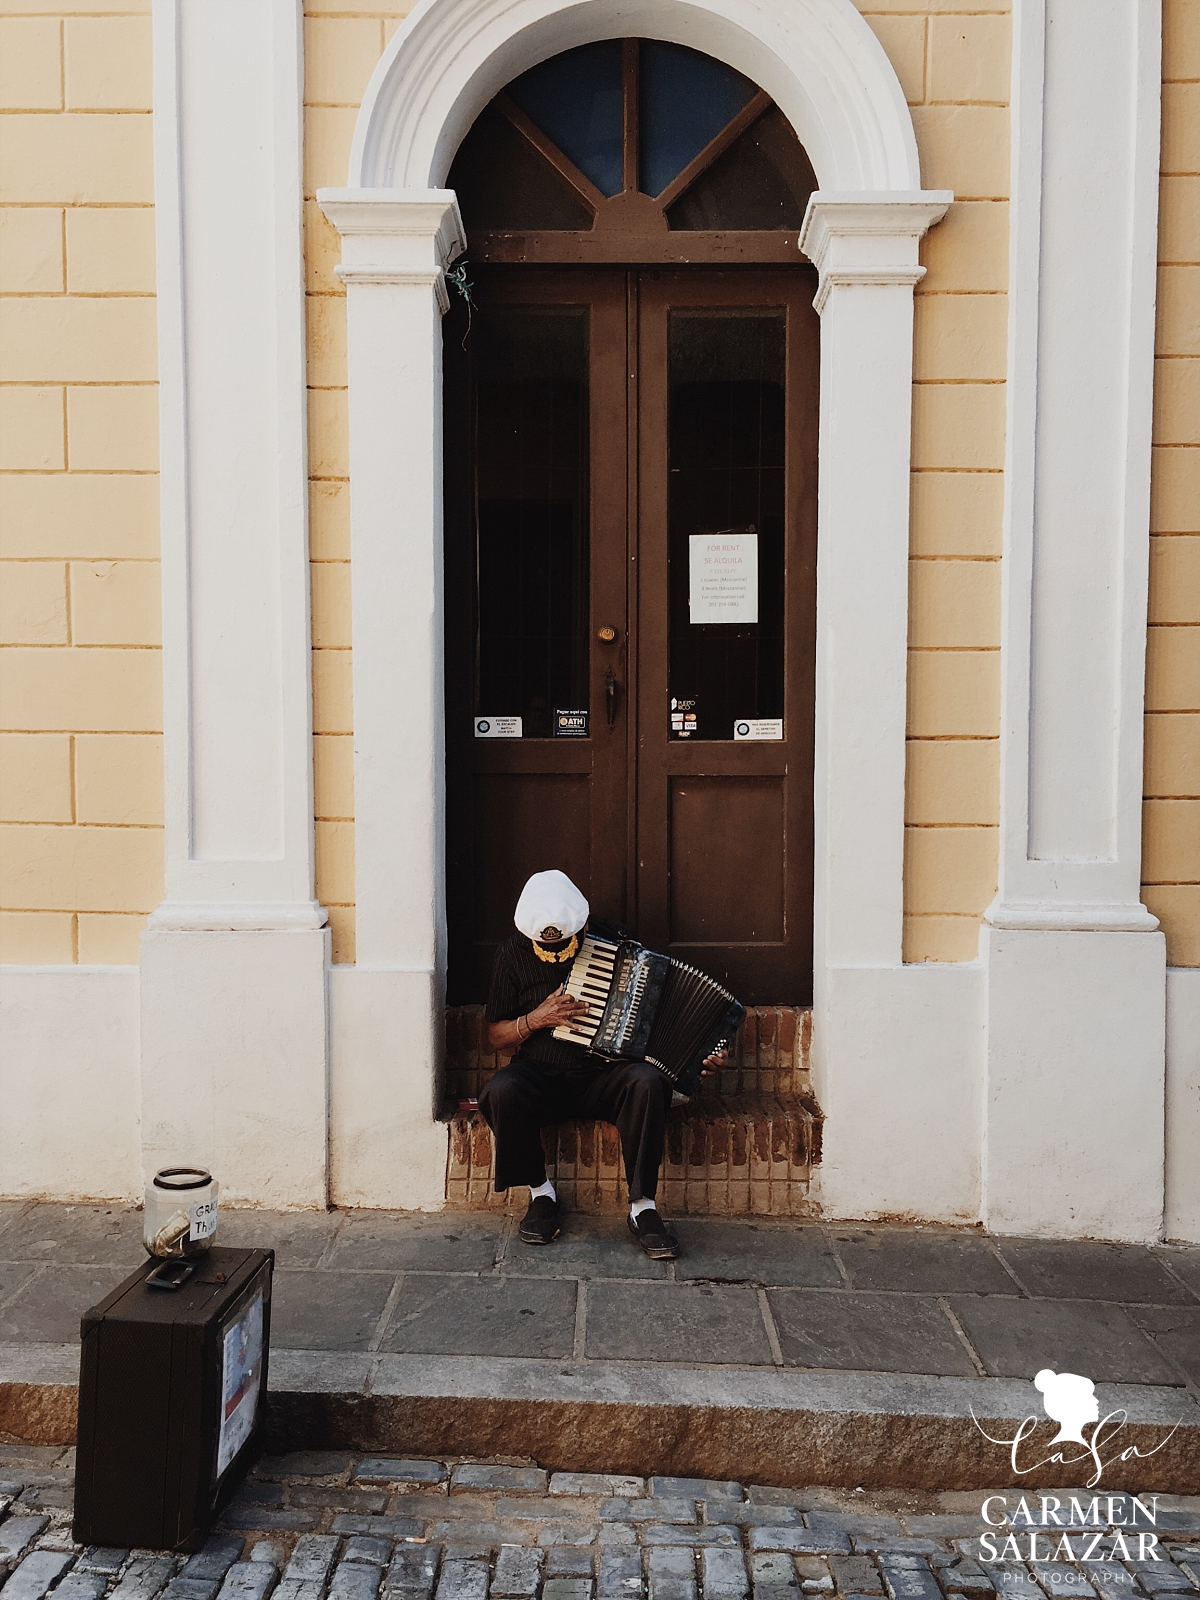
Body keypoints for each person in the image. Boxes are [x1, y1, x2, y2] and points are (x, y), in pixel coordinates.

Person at [478, 869, 726, 1259]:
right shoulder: (512, 953)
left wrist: (699, 1054)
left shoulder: (618, 941)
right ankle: (541, 1193)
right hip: (542, 1076)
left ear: (585, 922)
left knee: (648, 1081)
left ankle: (643, 1206)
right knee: (500, 1091)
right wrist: (535, 1019)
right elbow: (494, 1038)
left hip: (605, 1076)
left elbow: (660, 1012)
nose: (559, 952)